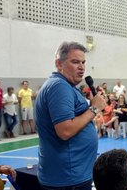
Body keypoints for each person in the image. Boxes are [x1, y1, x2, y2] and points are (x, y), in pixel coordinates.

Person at [35, 41, 106, 189]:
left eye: (83, 62)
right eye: (75, 62)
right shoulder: (59, 87)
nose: (81, 67)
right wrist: (93, 109)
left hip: (70, 175)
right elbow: (65, 131)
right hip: (68, 179)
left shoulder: (64, 85)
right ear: (59, 64)